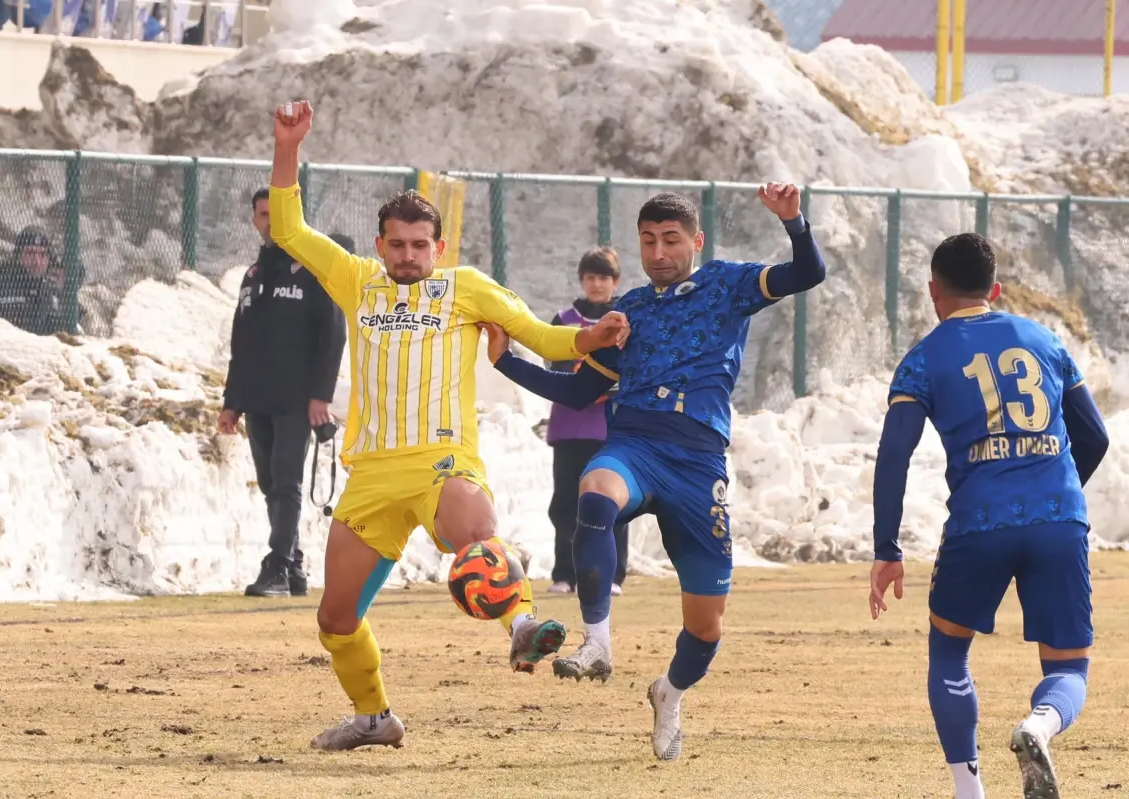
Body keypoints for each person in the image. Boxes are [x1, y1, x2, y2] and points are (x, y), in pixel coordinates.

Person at [266, 100, 630, 753]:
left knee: (473, 527)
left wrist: (591, 336)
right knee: (335, 618)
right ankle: (375, 717)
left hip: (443, 461)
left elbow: (541, 334)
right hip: (372, 474)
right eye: (397, 245)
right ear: (380, 246)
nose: (408, 255)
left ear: (439, 246)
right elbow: (289, 229)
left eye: (419, 245)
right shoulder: (355, 281)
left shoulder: (465, 288)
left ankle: (522, 622)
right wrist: (288, 147)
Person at [480, 186, 826, 761]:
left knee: (707, 626)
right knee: (594, 492)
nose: (659, 251)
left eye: (670, 240)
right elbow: (578, 390)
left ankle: (669, 693)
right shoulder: (629, 312)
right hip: (635, 445)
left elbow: (808, 272)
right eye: (647, 240)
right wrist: (504, 360)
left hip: (697, 462)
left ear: (696, 240)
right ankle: (598, 643)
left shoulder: (727, 284)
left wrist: (793, 221)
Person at [868, 233, 1110, 799]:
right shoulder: (1044, 339)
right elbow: (1094, 438)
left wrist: (887, 549)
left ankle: (968, 791)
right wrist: (1060, 495)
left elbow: (893, 456)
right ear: (995, 290)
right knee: (1069, 669)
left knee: (949, 652)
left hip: (979, 523)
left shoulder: (924, 358)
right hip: (1058, 518)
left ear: (934, 292)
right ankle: (1039, 726)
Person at [219, 188, 349, 598]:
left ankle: (276, 565)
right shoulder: (253, 276)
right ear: (255, 220)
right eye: (263, 215)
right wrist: (232, 402)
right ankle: (293, 562)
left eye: (278, 214)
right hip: (257, 396)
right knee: (269, 482)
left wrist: (320, 397)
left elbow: (333, 334)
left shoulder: (314, 268)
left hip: (297, 399)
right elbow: (242, 343)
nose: (271, 222)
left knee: (288, 481)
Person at [543, 246, 630, 596]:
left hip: (612, 425)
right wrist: (582, 384)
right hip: (569, 426)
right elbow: (556, 365)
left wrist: (600, 387)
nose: (597, 284)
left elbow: (630, 369)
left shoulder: (627, 320)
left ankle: (611, 575)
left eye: (604, 277)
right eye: (591, 277)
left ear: (616, 281)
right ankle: (565, 573)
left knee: (613, 500)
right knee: (566, 502)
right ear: (581, 280)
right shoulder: (563, 320)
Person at [0, 225, 76, 336]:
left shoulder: (53, 293)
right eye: (30, 253)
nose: (37, 262)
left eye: (43, 255)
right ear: (18, 255)